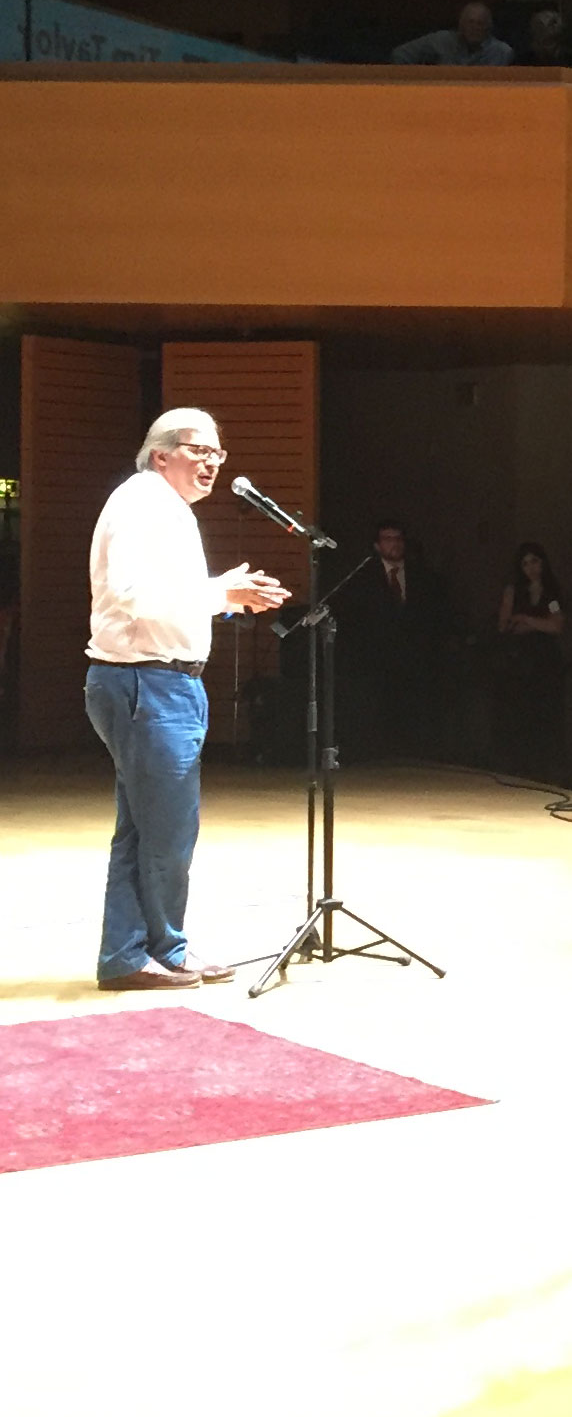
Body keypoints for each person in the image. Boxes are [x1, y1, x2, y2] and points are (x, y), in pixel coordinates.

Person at [84, 408, 288, 988]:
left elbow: (170, 598)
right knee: (167, 832)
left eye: (218, 453)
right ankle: (155, 951)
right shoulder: (141, 504)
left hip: (162, 683)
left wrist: (228, 597)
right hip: (146, 683)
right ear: (161, 453)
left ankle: (134, 953)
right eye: (199, 450)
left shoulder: (165, 507)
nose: (212, 463)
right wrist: (220, 591)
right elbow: (134, 595)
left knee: (146, 830)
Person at [343, 517, 449, 758]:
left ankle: (414, 751)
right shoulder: (363, 578)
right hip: (376, 657)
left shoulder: (423, 577)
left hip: (414, 656)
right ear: (377, 545)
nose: (395, 543)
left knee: (413, 709)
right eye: (388, 539)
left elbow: (433, 615)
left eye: (398, 538)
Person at [492, 539, 567, 779]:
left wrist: (527, 620)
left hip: (546, 660)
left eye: (534, 561)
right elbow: (505, 625)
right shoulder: (513, 590)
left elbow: (557, 625)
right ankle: (520, 764)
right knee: (520, 713)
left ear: (542, 562)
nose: (531, 568)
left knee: (547, 713)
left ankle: (546, 766)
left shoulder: (551, 592)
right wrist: (533, 624)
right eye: (525, 563)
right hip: (520, 661)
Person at [390, 0, 512, 64]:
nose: (474, 28)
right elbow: (400, 54)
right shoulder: (441, 40)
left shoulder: (501, 52)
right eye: (470, 22)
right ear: (460, 25)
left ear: (488, 27)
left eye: (480, 23)